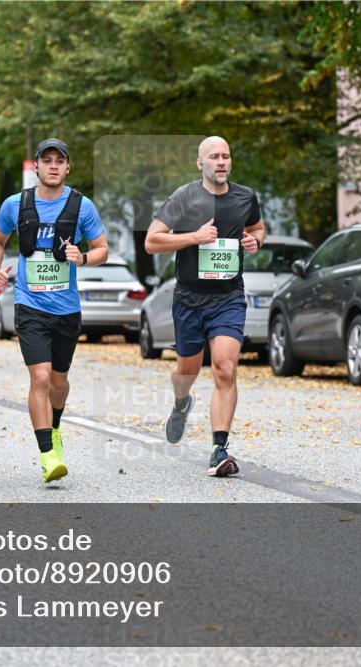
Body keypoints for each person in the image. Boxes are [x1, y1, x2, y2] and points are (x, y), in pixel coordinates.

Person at [0, 138, 109, 484]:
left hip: (67, 309)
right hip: (29, 305)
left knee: (58, 382)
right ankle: (48, 455)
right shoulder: (16, 204)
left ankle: (54, 426)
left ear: (67, 167)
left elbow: (102, 249)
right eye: (47, 160)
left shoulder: (82, 207)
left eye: (60, 161)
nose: (53, 166)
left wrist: (82, 257)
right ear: (36, 167)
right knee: (39, 378)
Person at [144, 136, 265, 477]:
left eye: (226, 156)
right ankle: (182, 401)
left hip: (227, 298)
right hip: (189, 300)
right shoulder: (184, 197)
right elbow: (152, 241)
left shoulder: (245, 197)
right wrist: (193, 237)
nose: (221, 162)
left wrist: (256, 240)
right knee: (187, 371)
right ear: (201, 164)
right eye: (214, 156)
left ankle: (219, 449)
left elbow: (257, 227)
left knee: (225, 368)